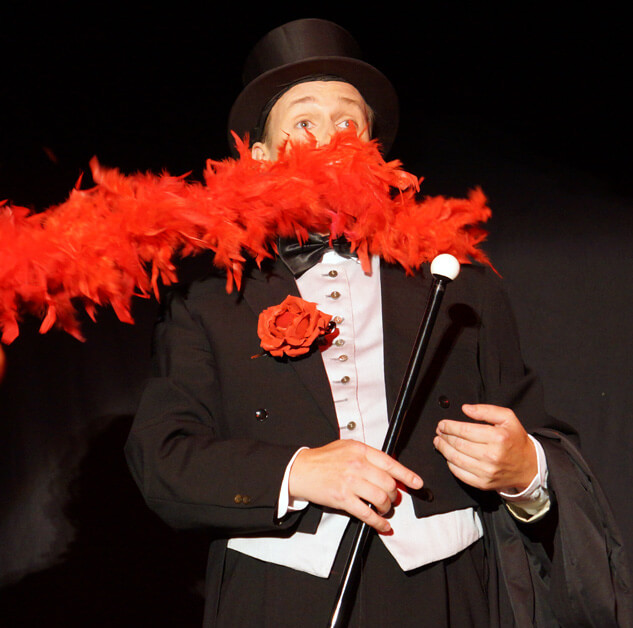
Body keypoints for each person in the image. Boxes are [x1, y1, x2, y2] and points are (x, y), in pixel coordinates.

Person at [125, 18, 630, 627]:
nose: (330, 140)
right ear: (258, 158)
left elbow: (535, 438)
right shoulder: (208, 297)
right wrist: (298, 471)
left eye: (348, 123)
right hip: (279, 594)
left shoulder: (460, 283)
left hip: (448, 589)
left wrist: (527, 473)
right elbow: (161, 457)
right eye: (304, 122)